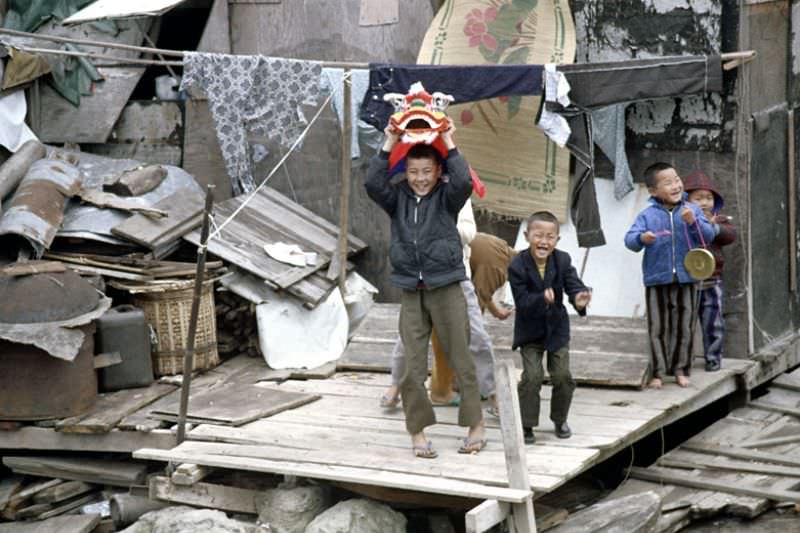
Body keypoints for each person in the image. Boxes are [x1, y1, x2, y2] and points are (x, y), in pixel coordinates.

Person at [365, 118, 486, 458]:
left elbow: (463, 179)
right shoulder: (397, 198)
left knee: (462, 357)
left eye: (426, 171)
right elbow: (373, 182)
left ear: (437, 172)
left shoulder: (448, 197)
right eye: (414, 171)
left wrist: (447, 140)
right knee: (412, 367)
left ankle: (476, 425)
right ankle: (417, 433)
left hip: (446, 285)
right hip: (411, 290)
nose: (420, 178)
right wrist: (389, 141)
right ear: (406, 171)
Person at [380, 229, 516, 412]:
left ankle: (488, 392)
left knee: (474, 337)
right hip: (428, 275)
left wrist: (494, 310)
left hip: (455, 276)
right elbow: (481, 296)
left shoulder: (501, 254)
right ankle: (397, 386)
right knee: (411, 335)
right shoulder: (500, 265)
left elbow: (482, 292)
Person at [624, 162, 716, 389]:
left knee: (685, 326)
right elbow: (630, 239)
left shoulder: (691, 210)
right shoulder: (647, 216)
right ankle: (657, 372)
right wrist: (642, 238)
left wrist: (693, 223)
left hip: (687, 277)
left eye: (676, 179)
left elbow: (709, 235)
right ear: (653, 191)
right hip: (657, 278)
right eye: (668, 183)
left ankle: (681, 369)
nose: (676, 185)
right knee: (657, 327)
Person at [508, 211, 591, 445]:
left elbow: (574, 285)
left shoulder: (562, 260)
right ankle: (526, 424)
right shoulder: (517, 264)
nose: (544, 241)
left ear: (557, 240)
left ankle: (559, 419)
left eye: (550, 237)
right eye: (538, 235)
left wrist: (579, 298)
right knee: (532, 377)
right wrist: (540, 298)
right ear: (527, 236)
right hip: (530, 331)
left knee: (563, 376)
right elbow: (522, 301)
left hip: (556, 329)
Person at [683, 170, 737, 372]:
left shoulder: (719, 220)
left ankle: (713, 357)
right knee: (685, 323)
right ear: (687, 200)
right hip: (686, 280)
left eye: (708, 198)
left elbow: (730, 236)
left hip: (712, 280)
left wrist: (713, 228)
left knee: (713, 322)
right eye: (698, 198)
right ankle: (683, 360)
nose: (704, 203)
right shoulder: (682, 219)